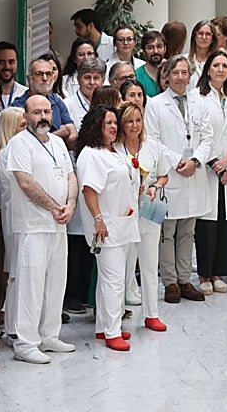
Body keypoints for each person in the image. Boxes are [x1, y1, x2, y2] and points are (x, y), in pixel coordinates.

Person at [8, 96, 76, 364]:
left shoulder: (58, 142)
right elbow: (25, 183)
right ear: (26, 116)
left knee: (55, 283)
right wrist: (53, 206)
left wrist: (69, 205)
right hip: (33, 226)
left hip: (58, 225)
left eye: (47, 111)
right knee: (31, 285)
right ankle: (25, 343)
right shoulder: (19, 144)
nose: (44, 116)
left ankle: (49, 335)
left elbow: (71, 176)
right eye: (37, 112)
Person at [143, 55, 215, 304]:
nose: (181, 77)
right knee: (167, 232)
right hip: (170, 175)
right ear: (166, 76)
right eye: (176, 73)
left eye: (185, 72)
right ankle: (170, 282)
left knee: (188, 231)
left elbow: (208, 138)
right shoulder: (154, 104)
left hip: (193, 173)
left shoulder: (200, 102)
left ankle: (185, 280)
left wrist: (194, 161)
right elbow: (152, 141)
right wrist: (177, 162)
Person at [75, 106, 139, 351]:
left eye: (115, 122)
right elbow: (89, 189)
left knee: (110, 278)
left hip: (121, 223)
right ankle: (113, 332)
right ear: (95, 126)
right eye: (107, 123)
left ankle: (104, 326)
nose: (113, 126)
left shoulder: (113, 151)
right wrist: (98, 219)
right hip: (106, 226)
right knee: (113, 281)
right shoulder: (91, 154)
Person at [115, 103, 169, 333]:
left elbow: (165, 176)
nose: (134, 125)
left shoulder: (153, 147)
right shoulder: (115, 149)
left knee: (149, 264)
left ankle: (151, 314)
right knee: (122, 268)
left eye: (138, 120)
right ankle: (115, 316)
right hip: (124, 213)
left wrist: (155, 185)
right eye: (129, 121)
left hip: (148, 210)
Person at [192, 50, 227, 295]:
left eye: (225, 65)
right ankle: (203, 274)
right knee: (206, 224)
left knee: (225, 221)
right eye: (216, 65)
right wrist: (215, 163)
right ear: (208, 69)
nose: (221, 69)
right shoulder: (197, 98)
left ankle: (218, 273)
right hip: (207, 168)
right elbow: (198, 135)